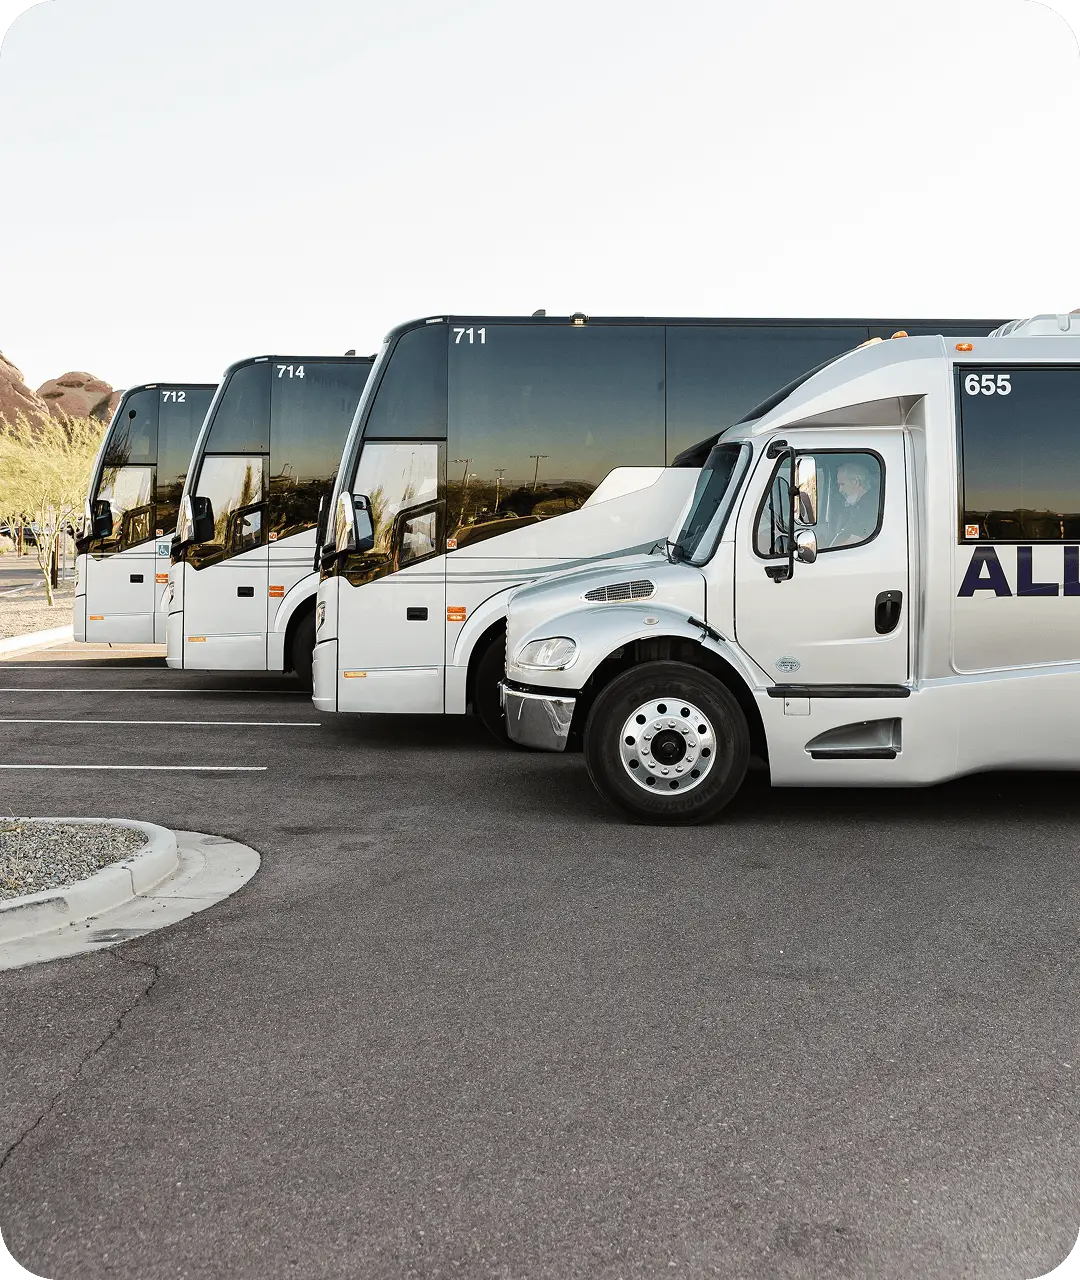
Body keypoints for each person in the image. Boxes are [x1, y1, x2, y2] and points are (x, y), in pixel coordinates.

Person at [825, 459, 878, 548]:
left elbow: (853, 542)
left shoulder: (869, 508)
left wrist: (823, 551)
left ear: (855, 482)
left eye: (842, 484)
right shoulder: (859, 505)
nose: (840, 490)